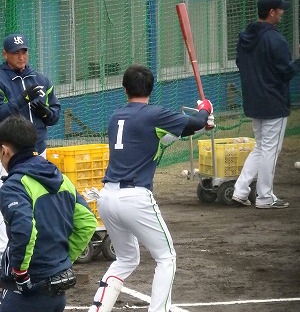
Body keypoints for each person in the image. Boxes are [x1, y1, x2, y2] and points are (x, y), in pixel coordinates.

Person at [86, 64, 214, 312]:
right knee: (166, 258)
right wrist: (205, 110)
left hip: (107, 198)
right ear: (151, 89)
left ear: (125, 89)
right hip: (135, 199)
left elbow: (161, 137)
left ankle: (97, 310)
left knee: (126, 259)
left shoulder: (116, 117)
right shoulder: (154, 115)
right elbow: (193, 122)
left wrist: (198, 125)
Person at [0, 115, 98, 312]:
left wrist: (20, 273)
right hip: (57, 288)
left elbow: (25, 229)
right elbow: (87, 221)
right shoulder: (60, 177)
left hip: (27, 292)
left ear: (5, 151)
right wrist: (63, 260)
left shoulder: (14, 186)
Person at [232, 0, 300, 209]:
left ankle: (241, 190)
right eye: (280, 9)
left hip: (254, 101)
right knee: (270, 149)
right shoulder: (276, 39)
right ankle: (264, 197)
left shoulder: (245, 37)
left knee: (261, 147)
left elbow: (240, 64)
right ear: (271, 12)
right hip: (273, 103)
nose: (282, 12)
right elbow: (286, 73)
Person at [0, 33, 61, 267]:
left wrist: (43, 111)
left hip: (38, 152)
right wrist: (22, 100)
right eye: (15, 52)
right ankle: (5, 254)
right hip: (7, 154)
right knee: (8, 202)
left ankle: (37, 250)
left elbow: (54, 115)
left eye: (24, 51)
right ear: (5, 54)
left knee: (39, 200)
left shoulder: (41, 79)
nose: (21, 56)